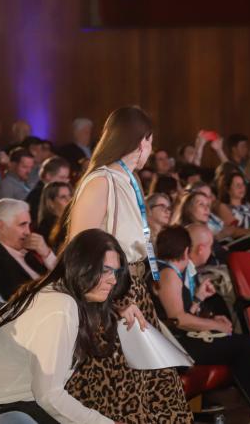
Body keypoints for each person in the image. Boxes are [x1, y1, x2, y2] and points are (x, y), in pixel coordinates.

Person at [62, 105, 192, 423]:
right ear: (142, 141)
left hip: (133, 293)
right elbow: (81, 249)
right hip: (108, 296)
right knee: (118, 395)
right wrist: (118, 299)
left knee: (155, 390)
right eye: (151, 140)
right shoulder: (102, 180)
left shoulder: (126, 179)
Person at [0, 228, 127, 423]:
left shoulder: (50, 292)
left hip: (16, 404)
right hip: (7, 409)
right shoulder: (60, 305)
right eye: (105, 270)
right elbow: (49, 395)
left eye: (116, 271)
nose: (113, 280)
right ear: (81, 266)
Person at [152, 226, 250, 424]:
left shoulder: (170, 271)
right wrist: (214, 324)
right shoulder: (168, 272)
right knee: (244, 346)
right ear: (186, 250)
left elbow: (179, 314)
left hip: (177, 340)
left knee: (245, 345)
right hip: (172, 346)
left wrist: (197, 298)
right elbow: (179, 319)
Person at [0, 199, 58, 300]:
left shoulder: (27, 254)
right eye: (22, 225)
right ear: (1, 226)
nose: (28, 232)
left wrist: (47, 254)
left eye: (29, 225)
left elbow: (62, 278)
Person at [25, 156, 70, 226]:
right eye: (62, 177)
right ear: (48, 176)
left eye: (66, 178)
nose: (65, 182)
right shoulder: (37, 195)